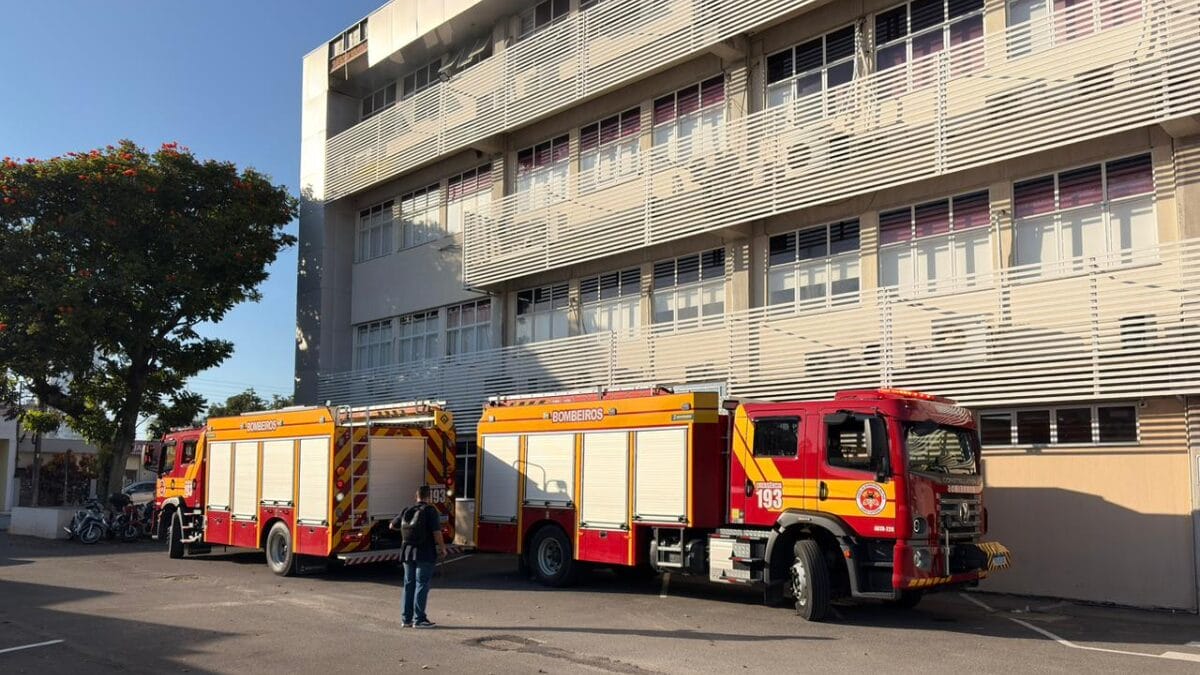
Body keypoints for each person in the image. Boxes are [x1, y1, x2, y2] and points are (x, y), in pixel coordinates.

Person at [390, 485, 447, 628]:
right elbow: (436, 532)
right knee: (421, 584)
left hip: (407, 552)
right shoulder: (430, 511)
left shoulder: (407, 510)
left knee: (408, 584)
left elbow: (392, 526)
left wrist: (408, 531)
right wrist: (442, 548)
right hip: (425, 552)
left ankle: (406, 619)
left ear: (416, 497)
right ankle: (419, 619)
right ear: (429, 497)